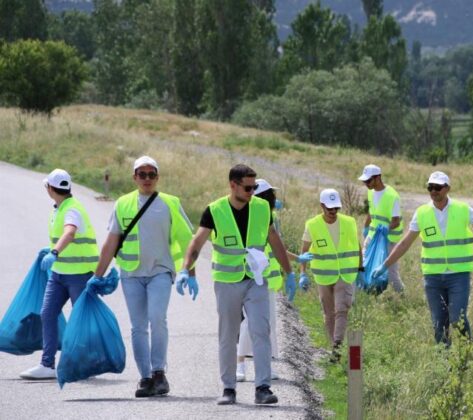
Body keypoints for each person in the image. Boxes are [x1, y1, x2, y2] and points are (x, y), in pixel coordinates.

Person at [179, 164, 295, 406]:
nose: (252, 191)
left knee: (261, 330)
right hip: (227, 282)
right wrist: (185, 271)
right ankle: (229, 388)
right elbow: (197, 242)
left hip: (256, 279)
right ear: (233, 185)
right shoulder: (215, 210)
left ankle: (263, 387)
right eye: (247, 187)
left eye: (254, 187)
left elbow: (274, 239)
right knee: (228, 334)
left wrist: (289, 272)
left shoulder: (262, 208)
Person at [90, 156, 194, 397]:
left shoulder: (170, 203)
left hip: (160, 270)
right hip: (131, 274)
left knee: (157, 318)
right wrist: (97, 275)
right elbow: (111, 242)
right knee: (138, 326)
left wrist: (190, 271)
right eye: (142, 174)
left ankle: (159, 372)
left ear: (157, 177)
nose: (147, 179)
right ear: (134, 177)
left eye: (152, 174)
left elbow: (186, 239)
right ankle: (145, 377)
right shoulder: (123, 203)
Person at [371, 171, 473, 346]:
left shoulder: (463, 209)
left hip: (458, 275)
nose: (433, 191)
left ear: (447, 188)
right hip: (433, 278)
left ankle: (466, 355)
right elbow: (404, 243)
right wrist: (385, 265)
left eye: (438, 187)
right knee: (439, 325)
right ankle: (445, 364)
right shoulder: (422, 212)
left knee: (457, 319)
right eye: (430, 187)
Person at [20, 169, 99, 380]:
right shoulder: (59, 208)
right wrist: (51, 248)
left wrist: (54, 252)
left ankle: (85, 363)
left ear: (50, 189)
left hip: (79, 275)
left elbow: (70, 232)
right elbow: (64, 237)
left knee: (80, 319)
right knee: (47, 313)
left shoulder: (72, 209)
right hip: (59, 274)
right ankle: (47, 364)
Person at [236, 178, 310, 382]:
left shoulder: (270, 218)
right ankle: (239, 364)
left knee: (268, 324)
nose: (274, 199)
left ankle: (266, 365)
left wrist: (293, 263)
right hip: (250, 276)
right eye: (271, 195)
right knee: (249, 322)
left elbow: (278, 248)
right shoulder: (248, 217)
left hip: (267, 279)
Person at [298, 189, 363, 361]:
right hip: (324, 276)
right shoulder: (312, 225)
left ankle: (337, 346)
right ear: (322, 206)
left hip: (346, 274)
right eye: (329, 209)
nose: (333, 212)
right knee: (329, 313)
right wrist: (302, 273)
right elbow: (304, 251)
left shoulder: (349, 222)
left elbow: (357, 245)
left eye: (336, 208)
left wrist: (361, 269)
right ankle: (333, 346)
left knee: (342, 309)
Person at [358, 164, 405, 292]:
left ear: (378, 177)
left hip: (389, 239)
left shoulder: (392, 196)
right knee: (362, 264)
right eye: (364, 181)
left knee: (391, 272)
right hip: (372, 236)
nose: (366, 184)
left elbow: (396, 221)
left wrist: (386, 229)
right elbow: (371, 211)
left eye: (368, 180)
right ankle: (364, 291)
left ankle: (402, 296)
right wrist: (366, 227)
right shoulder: (370, 192)